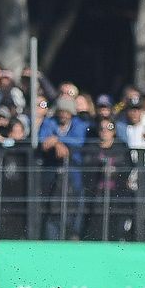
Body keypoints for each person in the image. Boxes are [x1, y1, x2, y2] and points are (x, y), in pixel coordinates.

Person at [37, 97, 86, 240]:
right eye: (61, 111)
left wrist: (57, 141)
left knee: (75, 207)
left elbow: (79, 141)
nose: (64, 114)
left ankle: (74, 235)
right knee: (52, 208)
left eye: (67, 111)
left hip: (73, 173)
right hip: (52, 173)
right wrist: (57, 144)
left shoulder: (78, 124)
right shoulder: (50, 122)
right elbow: (43, 140)